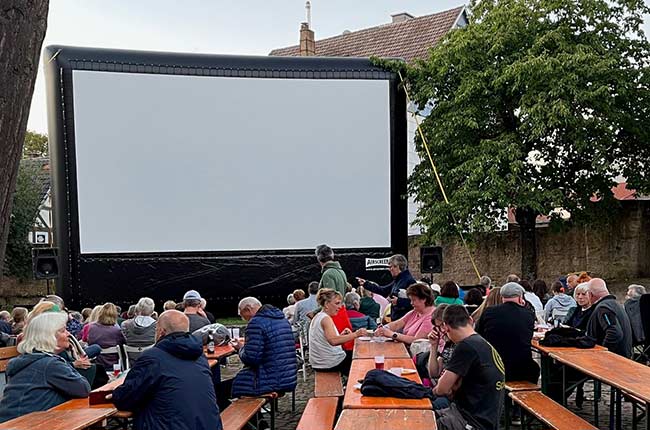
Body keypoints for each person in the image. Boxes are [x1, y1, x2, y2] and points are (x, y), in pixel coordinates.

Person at [112, 310, 222, 430]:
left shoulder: (152, 358)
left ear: (161, 332)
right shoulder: (200, 356)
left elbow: (126, 399)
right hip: (208, 424)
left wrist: (114, 394)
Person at [0, 312, 91, 423]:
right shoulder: (50, 364)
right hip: (26, 424)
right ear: (48, 336)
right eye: (63, 331)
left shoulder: (30, 359)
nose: (68, 334)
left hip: (12, 421)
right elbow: (84, 389)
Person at [433, 305, 505, 430]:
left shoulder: (465, 347)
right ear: (470, 320)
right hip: (487, 417)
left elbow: (442, 389)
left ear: (446, 327)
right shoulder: (482, 343)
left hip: (471, 420)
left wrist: (441, 389)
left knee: (418, 421)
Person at [230, 297, 297, 398]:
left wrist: (240, 348)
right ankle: (258, 413)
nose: (242, 318)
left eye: (241, 315)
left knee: (225, 388)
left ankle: (248, 413)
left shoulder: (256, 323)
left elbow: (251, 359)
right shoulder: (282, 320)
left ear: (248, 309)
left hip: (269, 379)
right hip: (288, 376)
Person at [475, 282, 539, 383]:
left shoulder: (488, 312)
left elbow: (478, 334)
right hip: (521, 367)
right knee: (535, 369)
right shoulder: (528, 314)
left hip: (494, 364)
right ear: (520, 298)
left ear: (502, 297)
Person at [309, 289, 367, 375]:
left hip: (319, 363)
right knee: (363, 360)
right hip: (329, 363)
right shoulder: (326, 319)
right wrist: (356, 334)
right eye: (337, 303)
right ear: (326, 304)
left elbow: (326, 339)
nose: (340, 307)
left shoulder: (318, 317)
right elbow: (333, 341)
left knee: (354, 356)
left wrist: (341, 335)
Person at [357, 254, 416, 320]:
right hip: (398, 318)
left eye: (391, 267)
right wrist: (366, 284)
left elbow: (417, 301)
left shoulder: (409, 281)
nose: (389, 269)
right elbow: (383, 290)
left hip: (404, 319)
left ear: (398, 267)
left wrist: (399, 301)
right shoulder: (398, 280)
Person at [586, 278, 633, 357]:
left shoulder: (603, 308)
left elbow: (614, 332)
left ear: (590, 294)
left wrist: (603, 353)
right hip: (623, 357)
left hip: (613, 362)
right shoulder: (615, 304)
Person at [87, 302, 126, 370]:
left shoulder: (91, 327)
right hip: (114, 365)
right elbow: (122, 344)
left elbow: (90, 343)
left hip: (96, 364)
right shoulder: (117, 330)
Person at [121, 297, 157, 362]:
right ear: (152, 311)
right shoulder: (157, 325)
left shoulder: (125, 324)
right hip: (150, 360)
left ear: (138, 308)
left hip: (131, 361)